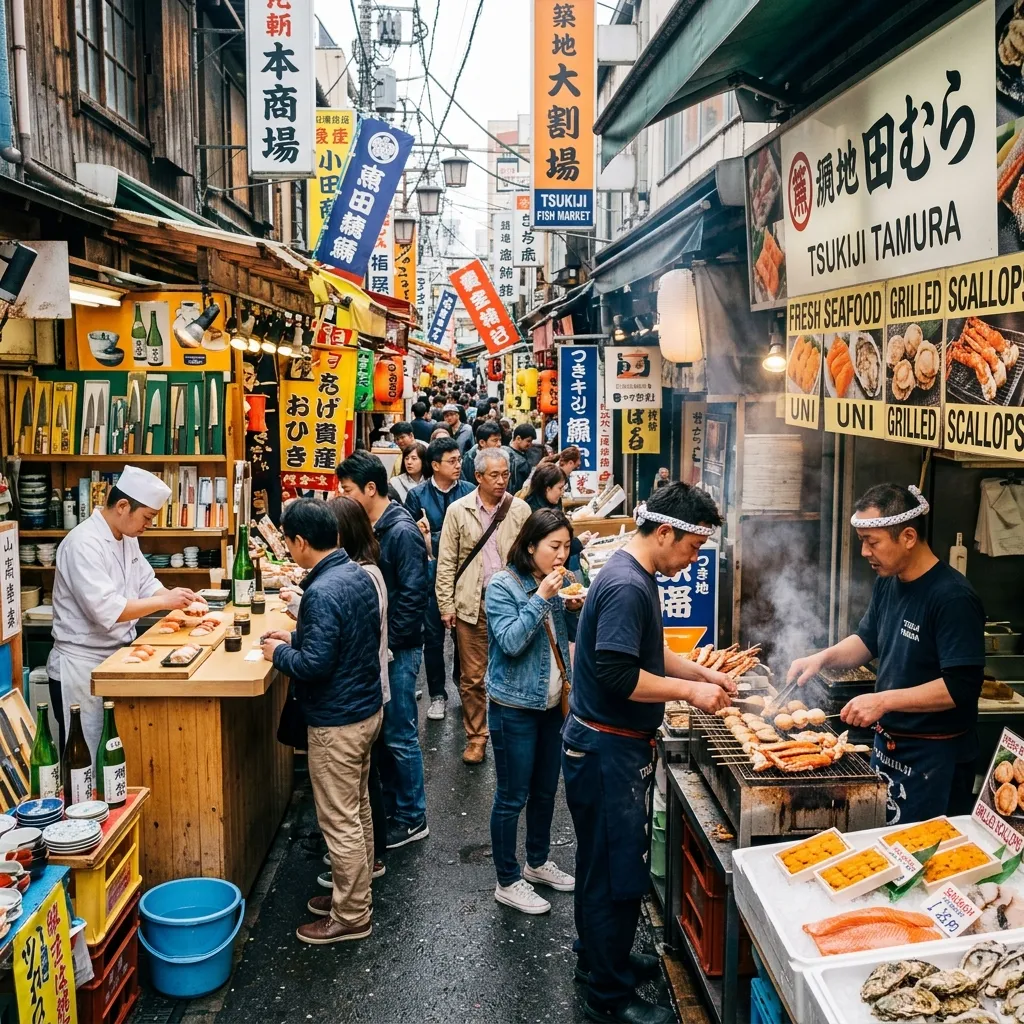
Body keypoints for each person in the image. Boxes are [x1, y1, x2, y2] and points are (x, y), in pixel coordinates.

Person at [562, 484, 735, 1023]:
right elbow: (618, 675)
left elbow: (646, 651)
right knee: (615, 874)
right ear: (664, 533)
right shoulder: (627, 585)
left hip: (603, 746)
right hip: (606, 748)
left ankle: (599, 962)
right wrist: (691, 693)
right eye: (690, 547)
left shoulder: (631, 573)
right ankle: (608, 1002)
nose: (691, 560)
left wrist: (702, 672)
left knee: (599, 866)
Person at [787, 483, 985, 824]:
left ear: (908, 536)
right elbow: (867, 641)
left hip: (936, 758)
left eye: (871, 541)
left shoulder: (952, 598)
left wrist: (883, 701)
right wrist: (821, 659)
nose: (864, 552)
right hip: (890, 747)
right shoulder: (889, 581)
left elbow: (961, 687)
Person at [261, 499, 383, 945]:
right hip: (365, 711)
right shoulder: (355, 573)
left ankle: (351, 915)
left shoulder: (322, 589)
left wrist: (279, 652)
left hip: (338, 721)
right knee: (358, 809)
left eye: (289, 542)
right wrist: (293, 636)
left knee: (340, 819)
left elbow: (314, 664)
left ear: (299, 542)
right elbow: (340, 640)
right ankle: (357, 895)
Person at [47, 466, 196, 753]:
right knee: (85, 757)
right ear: (123, 506)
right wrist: (167, 602)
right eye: (147, 517)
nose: (148, 525)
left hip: (118, 658)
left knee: (114, 752)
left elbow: (146, 582)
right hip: (82, 666)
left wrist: (180, 602)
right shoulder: (82, 543)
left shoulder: (128, 538)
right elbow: (108, 611)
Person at [486, 510, 583, 915]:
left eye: (566, 547)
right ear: (531, 546)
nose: (562, 555)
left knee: (546, 790)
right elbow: (510, 642)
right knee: (512, 796)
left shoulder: (561, 581)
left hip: (552, 705)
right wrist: (542, 597)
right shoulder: (502, 585)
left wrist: (575, 607)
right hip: (513, 707)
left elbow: (567, 640)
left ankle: (538, 862)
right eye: (553, 547)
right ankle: (507, 880)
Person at [336, 452, 430, 850]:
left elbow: (412, 594)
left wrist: (388, 643)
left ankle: (413, 817)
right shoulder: (377, 525)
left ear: (370, 489)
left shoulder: (400, 530)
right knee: (387, 735)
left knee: (399, 732)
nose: (343, 496)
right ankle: (394, 808)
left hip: (400, 650)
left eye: (348, 490)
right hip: (386, 647)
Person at [435, 448, 531, 764]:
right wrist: (445, 604)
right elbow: (447, 560)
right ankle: (476, 737)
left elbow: (532, 557)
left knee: (514, 672)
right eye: (494, 475)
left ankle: (513, 737)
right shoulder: (458, 511)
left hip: (513, 607)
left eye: (505, 474)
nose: (502, 480)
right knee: (473, 676)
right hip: (471, 605)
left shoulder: (520, 510)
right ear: (477, 476)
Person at [325, 497, 391, 888]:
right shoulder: (365, 572)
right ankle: (366, 870)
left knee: (349, 804)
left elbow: (327, 652)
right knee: (362, 792)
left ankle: (351, 902)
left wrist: (287, 649)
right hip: (366, 694)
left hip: (356, 699)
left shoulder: (357, 576)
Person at [406, 437, 475, 721]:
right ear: (435, 465)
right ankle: (437, 694)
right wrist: (424, 535)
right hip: (431, 579)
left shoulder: (471, 491)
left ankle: (465, 687)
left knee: (466, 636)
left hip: (465, 577)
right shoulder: (417, 496)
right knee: (433, 639)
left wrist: (436, 536)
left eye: (459, 459)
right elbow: (410, 537)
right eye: (452, 461)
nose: (459, 465)